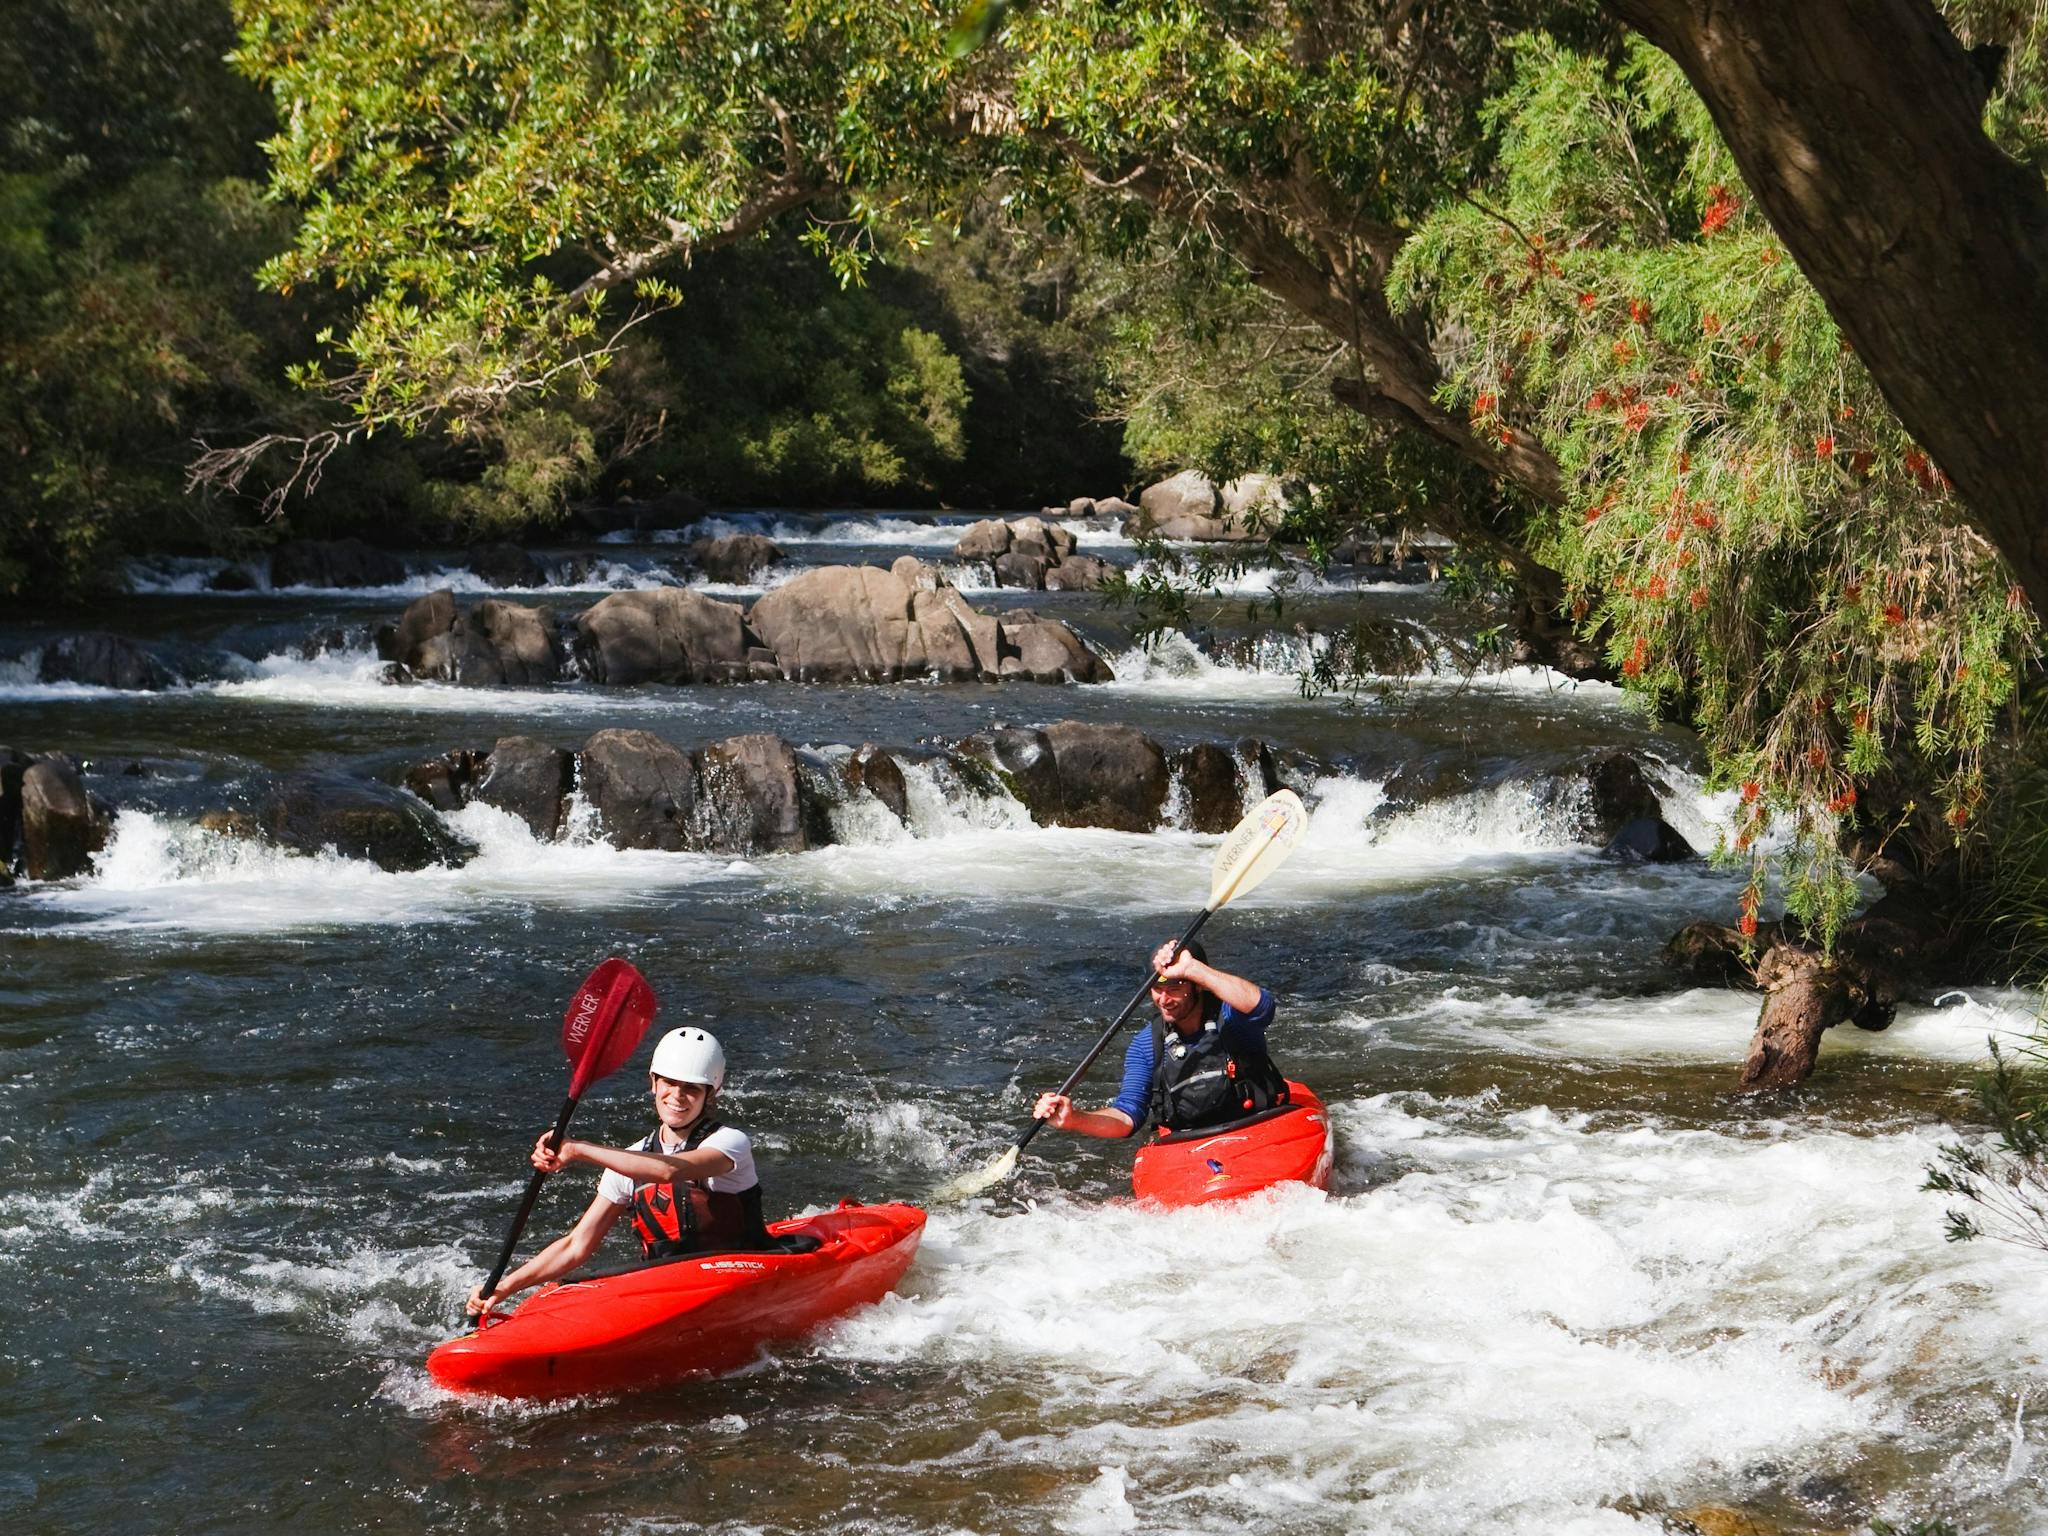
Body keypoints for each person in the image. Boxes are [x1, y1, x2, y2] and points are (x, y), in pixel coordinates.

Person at [465, 1025, 768, 1319]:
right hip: (667, 1288)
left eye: (691, 1088)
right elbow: (576, 1245)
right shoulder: (630, 1161)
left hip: (735, 1275)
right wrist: (505, 1287)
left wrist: (577, 1149)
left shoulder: (730, 1143)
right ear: (654, 1083)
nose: (677, 1096)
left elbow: (667, 1171)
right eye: (669, 1083)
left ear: (709, 1094)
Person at [1032, 939, 1289, 1142]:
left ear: (1197, 985)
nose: (1164, 1000)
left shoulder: (1233, 1016)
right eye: (1157, 989)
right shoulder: (1146, 1045)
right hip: (1192, 1142)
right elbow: (1127, 1116)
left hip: (1260, 1125)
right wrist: (1075, 1119)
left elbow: (1262, 1007)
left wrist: (1193, 968)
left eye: (1175, 989)